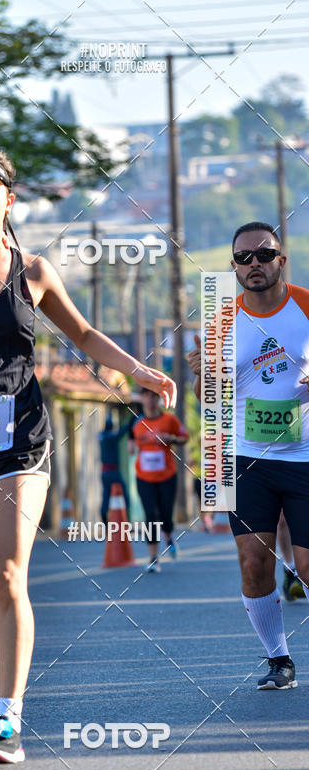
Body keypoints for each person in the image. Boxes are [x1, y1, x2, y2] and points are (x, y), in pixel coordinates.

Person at [0, 144, 176, 763]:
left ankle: (8, 720)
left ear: (7, 200)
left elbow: (85, 335)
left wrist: (141, 372)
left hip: (20, 438)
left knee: (10, 571)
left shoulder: (34, 271)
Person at [188, 220, 309, 691]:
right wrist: (202, 375)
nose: (253, 264)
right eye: (243, 258)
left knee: (304, 563)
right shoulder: (221, 322)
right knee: (253, 561)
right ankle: (279, 660)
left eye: (263, 255)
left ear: (281, 259)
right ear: (234, 267)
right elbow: (209, 399)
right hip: (247, 458)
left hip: (304, 456)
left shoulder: (304, 305)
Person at [128, 389, 189, 571]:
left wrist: (171, 438)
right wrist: (131, 447)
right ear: (142, 398)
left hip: (167, 477)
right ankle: (154, 557)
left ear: (158, 399)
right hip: (144, 477)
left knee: (165, 515)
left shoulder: (169, 420)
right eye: (147, 396)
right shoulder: (136, 422)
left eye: (154, 396)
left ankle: (169, 536)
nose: (150, 400)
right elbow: (130, 443)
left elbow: (184, 438)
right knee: (150, 515)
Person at [98, 414, 134, 522]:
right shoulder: (111, 437)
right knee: (125, 496)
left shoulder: (101, 436)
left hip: (104, 473)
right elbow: (121, 433)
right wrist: (130, 423)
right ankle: (126, 521)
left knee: (106, 497)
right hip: (113, 472)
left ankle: (105, 521)